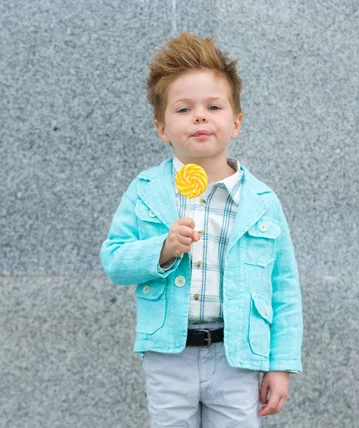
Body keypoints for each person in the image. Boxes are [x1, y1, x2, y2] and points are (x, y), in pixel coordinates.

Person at [100, 32, 303, 427]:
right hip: (168, 356)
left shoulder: (261, 201)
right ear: (162, 129)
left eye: (213, 106)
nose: (200, 116)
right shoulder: (147, 192)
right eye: (183, 109)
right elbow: (114, 259)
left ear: (236, 122)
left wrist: (281, 365)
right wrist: (162, 249)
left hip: (237, 356)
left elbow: (284, 288)